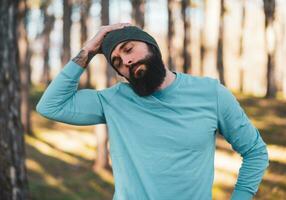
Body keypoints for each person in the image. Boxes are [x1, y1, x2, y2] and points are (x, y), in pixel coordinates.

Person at [36, 23, 269, 200]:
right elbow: (50, 106)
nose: (125, 60)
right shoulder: (113, 100)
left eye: (129, 49)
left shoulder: (210, 93)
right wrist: (88, 50)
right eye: (116, 61)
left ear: (152, 46)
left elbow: (255, 152)